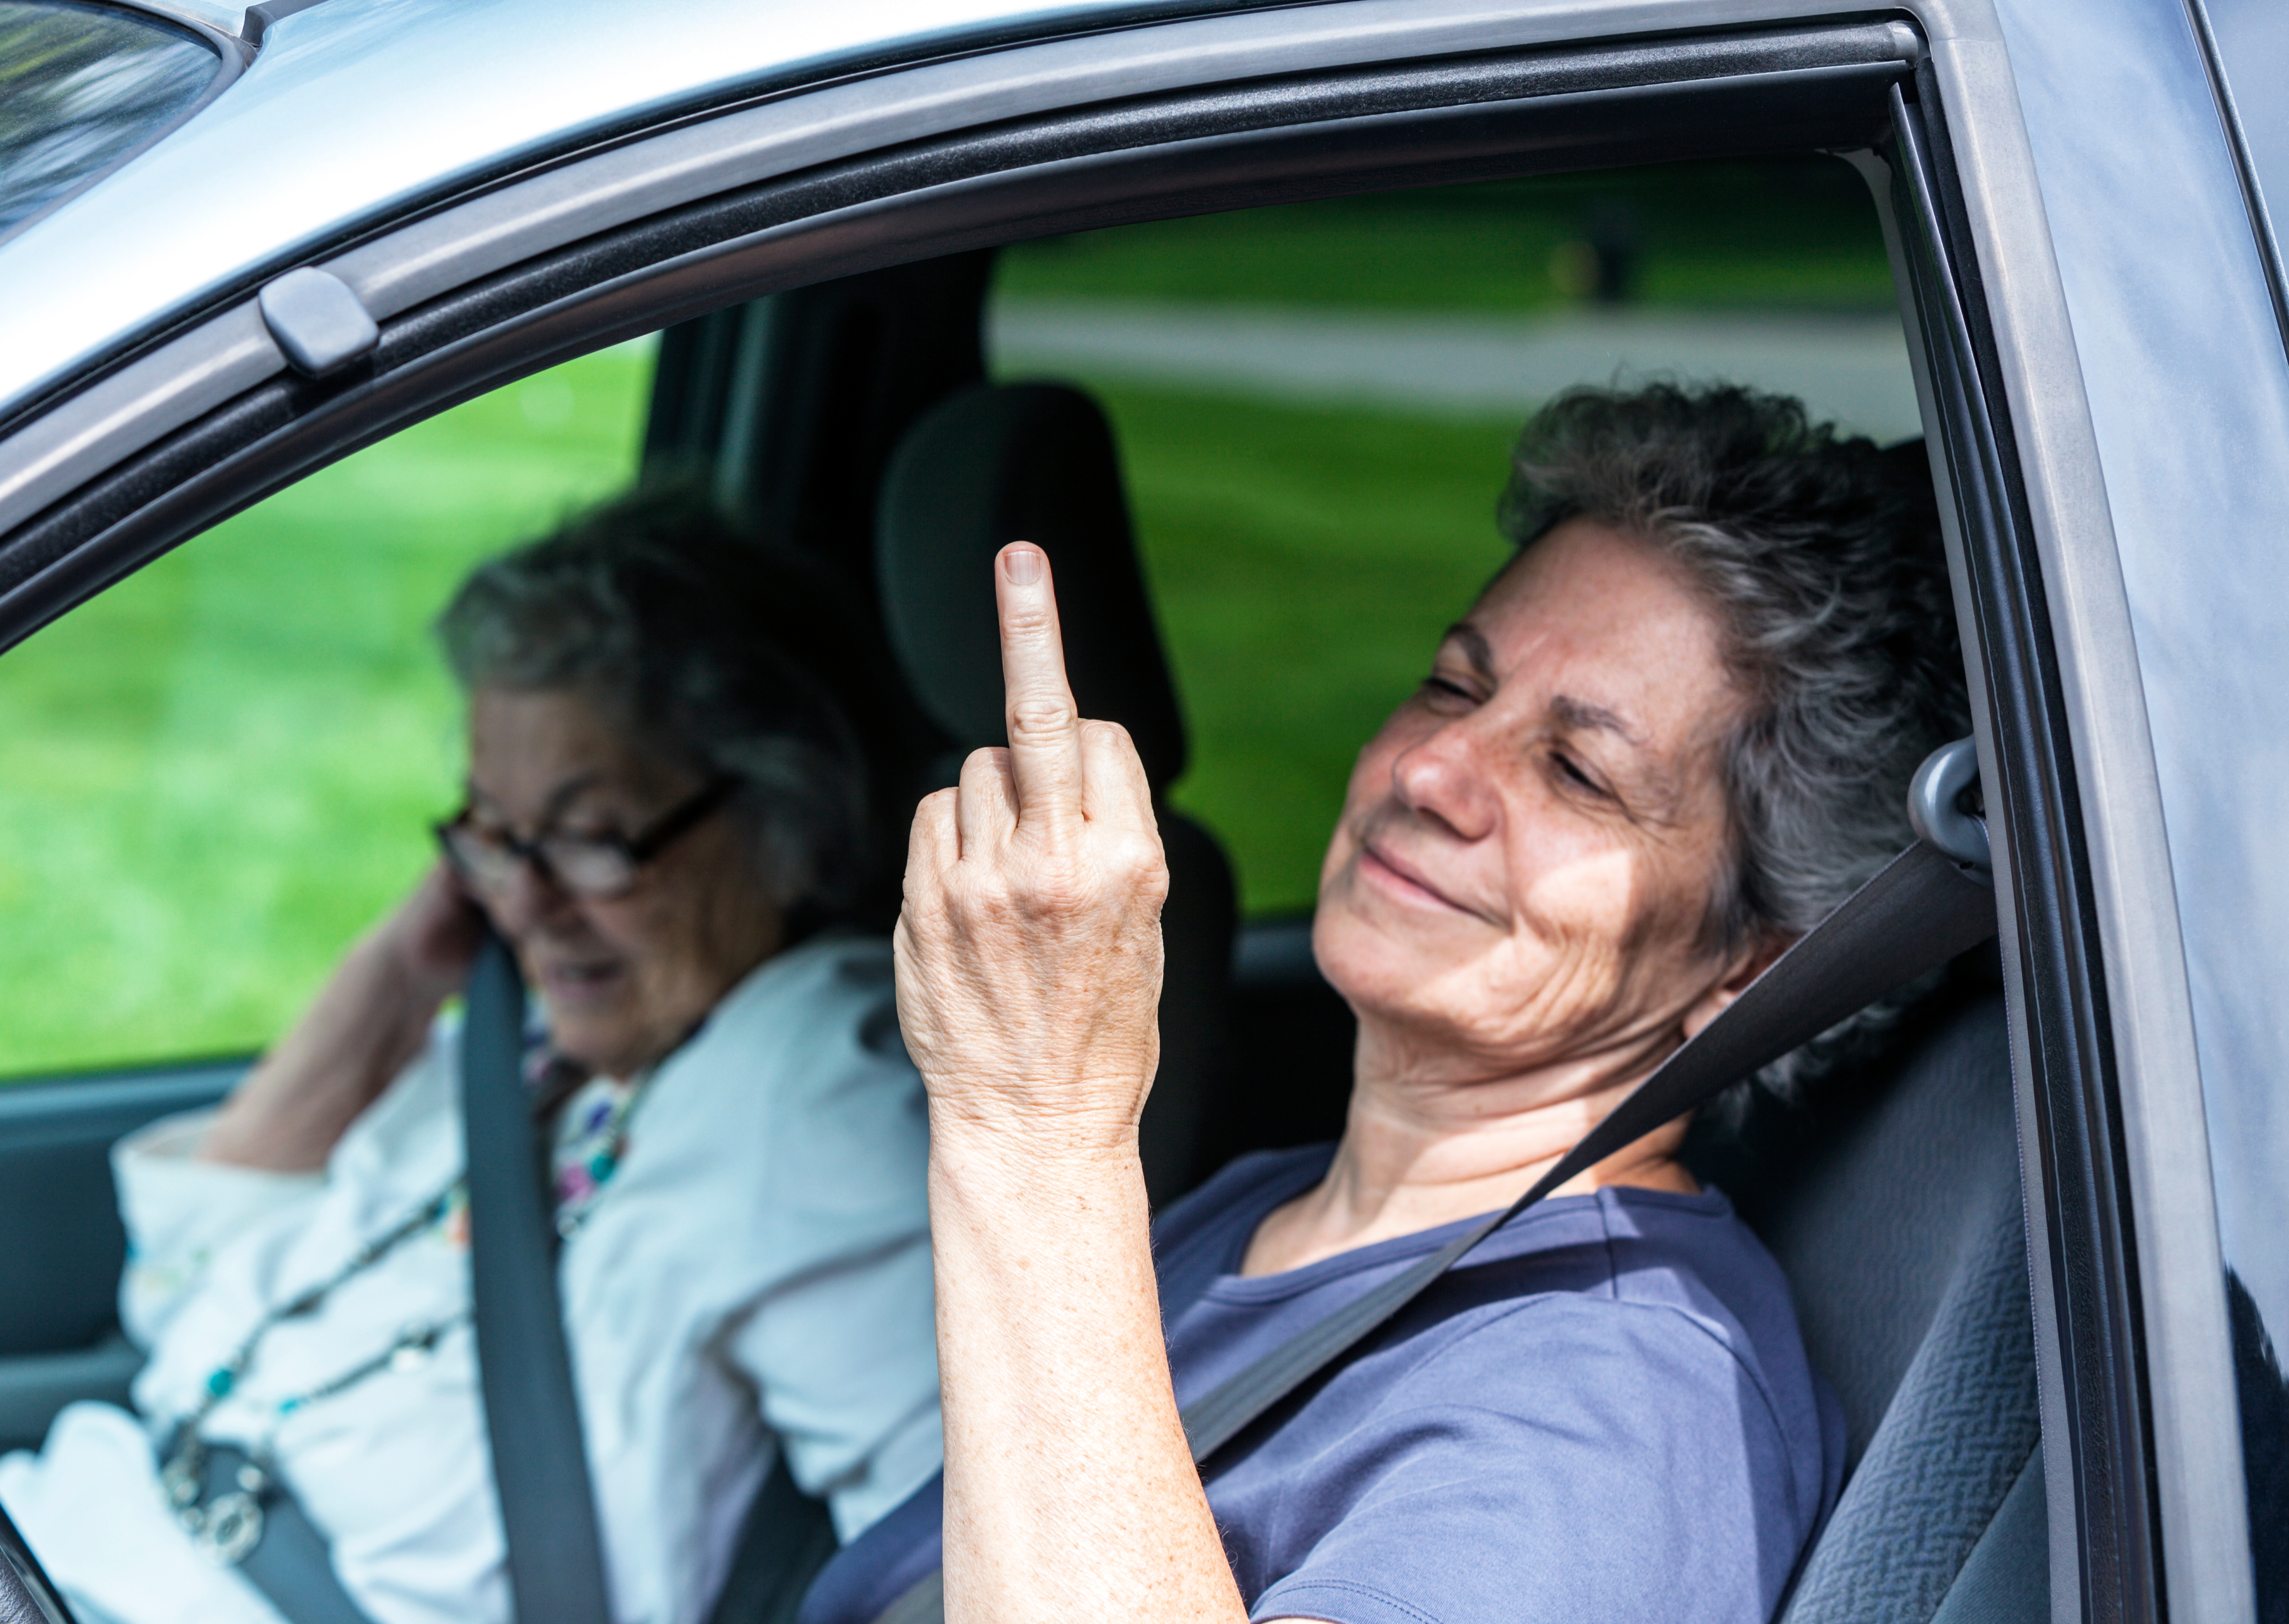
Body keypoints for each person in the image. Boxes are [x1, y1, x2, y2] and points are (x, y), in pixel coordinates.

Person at [803, 383, 1967, 1624]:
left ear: (1754, 964)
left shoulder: (1610, 1416)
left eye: (1579, 772)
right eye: (1454, 686)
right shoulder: (1273, 1209)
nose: (1431, 768)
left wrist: (1035, 1128)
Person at [0, 488, 944, 1624]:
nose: (526, 904)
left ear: (787, 819)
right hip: (52, 1538)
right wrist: (399, 972)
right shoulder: (541, 1045)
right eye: (495, 832)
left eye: (591, 837)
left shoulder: (808, 1083)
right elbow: (182, 1282)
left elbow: (962, 1546)